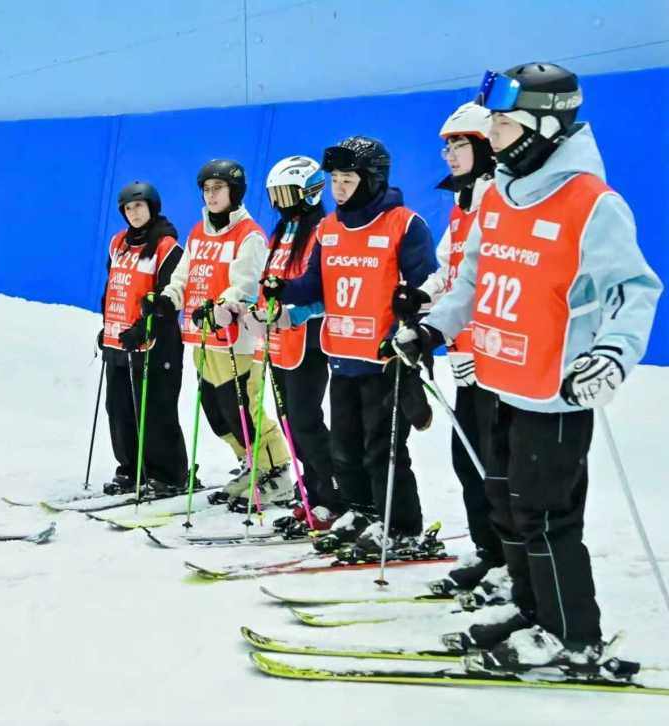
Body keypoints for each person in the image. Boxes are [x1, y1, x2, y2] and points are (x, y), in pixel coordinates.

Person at [394, 62, 662, 670]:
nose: (491, 134)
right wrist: (435, 328)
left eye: (502, 124)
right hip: (500, 381)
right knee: (508, 508)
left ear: (543, 127)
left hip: (556, 389)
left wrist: (611, 355)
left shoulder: (592, 203)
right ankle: (529, 607)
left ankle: (572, 636)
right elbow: (471, 280)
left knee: (546, 517)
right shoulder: (496, 194)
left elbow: (634, 290)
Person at [263, 136, 437, 553]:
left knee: (383, 450)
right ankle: (361, 511)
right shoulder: (328, 228)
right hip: (341, 354)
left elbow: (431, 287)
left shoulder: (404, 224)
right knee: (345, 448)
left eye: (347, 180)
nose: (338, 188)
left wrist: (411, 320)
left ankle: (400, 525)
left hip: (384, 358)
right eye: (335, 180)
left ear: (372, 179)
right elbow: (314, 284)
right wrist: (282, 288)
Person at [148, 159, 292, 511]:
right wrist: (167, 298)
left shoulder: (249, 235)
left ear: (235, 192)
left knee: (242, 409)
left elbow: (246, 285)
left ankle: (276, 473)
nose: (211, 195)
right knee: (217, 413)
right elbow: (183, 276)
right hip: (201, 337)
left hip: (236, 340)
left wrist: (221, 305)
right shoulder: (198, 233)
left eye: (218, 188)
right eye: (207, 189)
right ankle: (251, 464)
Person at [409, 102, 507, 592]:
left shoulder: (498, 201)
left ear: (486, 148)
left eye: (460, 144)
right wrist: (419, 297)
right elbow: (450, 271)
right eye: (446, 146)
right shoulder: (464, 205)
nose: (449, 154)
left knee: (495, 468)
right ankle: (490, 552)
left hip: (496, 360)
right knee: (468, 462)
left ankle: (510, 561)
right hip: (465, 358)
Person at [242, 156, 343, 529]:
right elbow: (271, 281)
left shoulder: (321, 231)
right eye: (276, 196)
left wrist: (295, 313)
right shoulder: (283, 232)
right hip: (279, 340)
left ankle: (334, 497)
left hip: (309, 340)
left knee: (305, 421)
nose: (281, 203)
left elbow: (326, 290)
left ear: (310, 192)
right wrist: (257, 312)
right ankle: (312, 494)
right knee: (289, 423)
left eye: (288, 194)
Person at [98, 181, 189, 497]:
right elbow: (113, 286)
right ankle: (130, 468)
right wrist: (107, 325)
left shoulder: (167, 246)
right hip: (120, 340)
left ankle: (168, 475)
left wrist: (144, 327)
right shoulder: (118, 243)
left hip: (156, 342)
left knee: (154, 410)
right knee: (119, 409)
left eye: (139, 206)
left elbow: (169, 297)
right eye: (128, 208)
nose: (133, 213)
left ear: (152, 207)